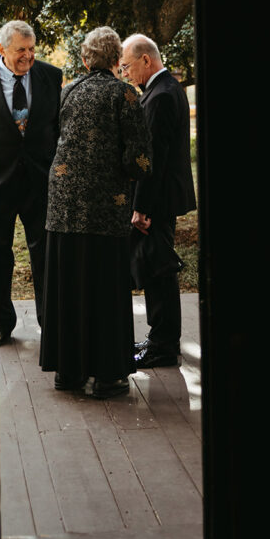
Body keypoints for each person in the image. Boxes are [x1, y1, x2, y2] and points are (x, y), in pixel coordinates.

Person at [40, 26, 152, 399]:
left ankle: (68, 373)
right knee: (105, 288)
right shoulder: (125, 93)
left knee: (70, 285)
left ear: (86, 59)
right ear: (116, 59)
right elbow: (137, 158)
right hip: (105, 207)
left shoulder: (69, 91)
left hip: (63, 206)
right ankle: (108, 375)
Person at [120, 33, 196, 368]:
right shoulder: (166, 89)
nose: (126, 73)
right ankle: (159, 339)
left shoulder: (161, 95)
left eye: (128, 65)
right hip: (163, 198)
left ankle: (164, 345)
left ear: (146, 60)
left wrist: (142, 208)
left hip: (158, 200)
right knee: (156, 269)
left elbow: (154, 159)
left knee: (159, 272)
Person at [0, 19, 62, 345]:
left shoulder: (51, 76)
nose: (28, 56)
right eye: (21, 50)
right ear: (2, 49)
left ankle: (52, 325)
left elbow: (59, 130)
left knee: (46, 254)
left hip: (41, 182)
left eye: (32, 49)